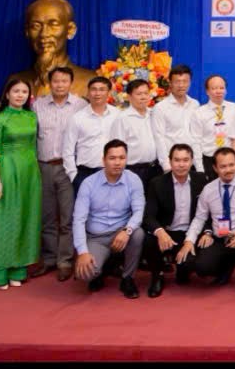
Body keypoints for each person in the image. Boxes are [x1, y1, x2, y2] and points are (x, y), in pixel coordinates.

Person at [178, 147, 235, 298]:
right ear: (215, 168)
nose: (228, 169)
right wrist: (189, 241)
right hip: (220, 237)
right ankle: (226, 267)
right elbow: (199, 218)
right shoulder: (208, 190)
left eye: (231, 165)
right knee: (202, 267)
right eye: (223, 166)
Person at [0, 76, 42, 291]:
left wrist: (35, 173)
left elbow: (34, 147)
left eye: (24, 92)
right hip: (7, 171)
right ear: (7, 94)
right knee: (5, 219)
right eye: (16, 91)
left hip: (29, 173)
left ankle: (18, 270)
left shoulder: (31, 117)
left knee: (25, 219)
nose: (20, 95)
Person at [31, 66, 87, 281]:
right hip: (43, 166)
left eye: (64, 81)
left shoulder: (80, 105)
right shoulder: (38, 105)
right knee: (46, 217)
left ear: (71, 83)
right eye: (56, 81)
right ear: (49, 83)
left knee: (67, 217)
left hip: (67, 168)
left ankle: (65, 261)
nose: (60, 85)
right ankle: (48, 259)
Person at [72, 139, 145, 298]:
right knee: (86, 274)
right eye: (112, 158)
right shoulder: (89, 183)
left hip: (121, 233)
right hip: (96, 237)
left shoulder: (133, 180)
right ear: (103, 160)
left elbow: (139, 211)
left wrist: (127, 230)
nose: (117, 163)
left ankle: (128, 278)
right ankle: (103, 269)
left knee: (138, 234)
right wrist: (82, 252)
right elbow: (78, 220)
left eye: (121, 158)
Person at [142, 144, 207, 298]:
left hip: (189, 233)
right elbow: (148, 216)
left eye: (185, 160)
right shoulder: (157, 183)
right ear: (170, 161)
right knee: (147, 239)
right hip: (167, 232)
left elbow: (208, 212)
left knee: (190, 268)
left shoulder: (201, 180)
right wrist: (160, 232)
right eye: (177, 160)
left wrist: (207, 232)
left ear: (191, 161)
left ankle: (183, 269)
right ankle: (157, 276)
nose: (181, 164)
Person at [11, 0, 96, 97]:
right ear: (27, 32)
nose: (44, 34)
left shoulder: (90, 82)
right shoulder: (15, 83)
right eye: (36, 26)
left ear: (70, 30)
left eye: (53, 25)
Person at [63, 76, 119, 196]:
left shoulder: (118, 115)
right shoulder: (77, 118)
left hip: (113, 173)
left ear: (109, 92)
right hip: (86, 174)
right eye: (94, 89)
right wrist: (74, 176)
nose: (97, 93)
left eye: (102, 89)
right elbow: (67, 150)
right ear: (88, 92)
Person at [109, 79, 161, 188]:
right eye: (139, 94)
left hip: (155, 169)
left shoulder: (154, 114)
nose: (143, 97)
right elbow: (116, 148)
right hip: (133, 170)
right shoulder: (122, 119)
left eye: (146, 93)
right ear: (129, 97)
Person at [150, 65, 200, 174]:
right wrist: (166, 166)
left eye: (185, 81)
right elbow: (159, 138)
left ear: (190, 82)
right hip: (171, 164)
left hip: (191, 163)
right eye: (177, 81)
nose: (181, 85)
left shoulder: (195, 105)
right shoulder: (160, 108)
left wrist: (199, 166)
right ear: (170, 83)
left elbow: (197, 136)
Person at [189, 74, 235, 176]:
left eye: (222, 88)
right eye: (214, 88)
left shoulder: (234, 108)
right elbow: (196, 142)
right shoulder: (199, 113)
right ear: (207, 91)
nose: (218, 91)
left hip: (229, 159)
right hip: (209, 160)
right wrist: (200, 169)